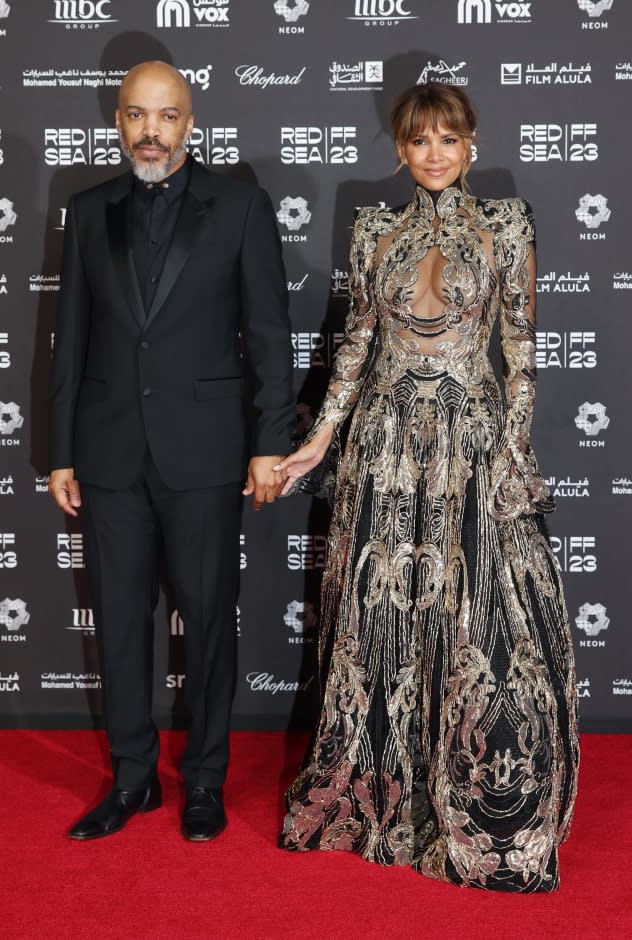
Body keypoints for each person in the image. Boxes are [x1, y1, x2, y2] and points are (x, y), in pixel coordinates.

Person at [277, 82, 579, 891]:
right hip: (384, 446)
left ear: (471, 141)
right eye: (419, 141)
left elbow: (520, 347)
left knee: (476, 616)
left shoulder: (507, 223)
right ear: (401, 149)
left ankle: (479, 797)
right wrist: (317, 441)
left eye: (448, 138)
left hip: (468, 445)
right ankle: (376, 797)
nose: (435, 154)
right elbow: (356, 347)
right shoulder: (374, 227)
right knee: (380, 623)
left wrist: (509, 450)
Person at [48, 61, 294, 842]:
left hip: (207, 452)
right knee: (120, 623)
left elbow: (268, 338)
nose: (150, 130)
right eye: (136, 115)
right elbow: (71, 340)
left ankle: (204, 784)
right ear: (118, 122)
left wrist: (269, 444)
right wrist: (61, 452)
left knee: (211, 622)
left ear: (191, 123)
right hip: (111, 455)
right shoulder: (88, 211)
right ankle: (131, 781)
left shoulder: (240, 206)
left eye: (167, 115)